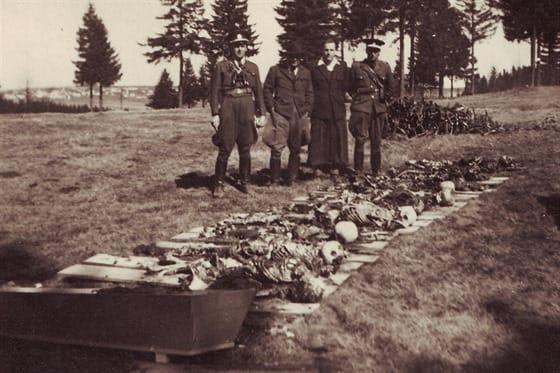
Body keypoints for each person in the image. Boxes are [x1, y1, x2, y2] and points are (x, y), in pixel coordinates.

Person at [210, 33, 266, 197]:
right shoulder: (221, 66)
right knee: (225, 146)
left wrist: (261, 113)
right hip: (229, 105)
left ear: (247, 47)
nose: (239, 48)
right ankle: (219, 183)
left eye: (242, 45)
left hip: (247, 105)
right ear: (231, 48)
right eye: (236, 45)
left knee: (245, 146)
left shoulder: (253, 67)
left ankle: (245, 181)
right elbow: (214, 92)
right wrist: (215, 113)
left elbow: (259, 93)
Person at [262, 42, 314, 186]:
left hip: (299, 115)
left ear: (301, 58)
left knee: (296, 148)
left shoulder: (306, 72)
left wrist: (307, 109)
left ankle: (291, 178)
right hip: (281, 113)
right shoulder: (276, 70)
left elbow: (310, 93)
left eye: (297, 57)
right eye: (291, 56)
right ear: (287, 57)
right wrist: (272, 108)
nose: (294, 59)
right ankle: (274, 179)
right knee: (277, 147)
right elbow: (267, 89)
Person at [348, 38, 396, 176]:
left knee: (376, 141)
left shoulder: (385, 67)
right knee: (360, 139)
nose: (372, 54)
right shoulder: (357, 67)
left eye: (375, 51)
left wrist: (384, 97)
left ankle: (376, 171)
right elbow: (350, 87)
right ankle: (358, 171)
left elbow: (391, 87)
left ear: (379, 52)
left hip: (378, 109)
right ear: (366, 51)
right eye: (370, 50)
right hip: (362, 108)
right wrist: (358, 99)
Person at [308, 39, 349, 176]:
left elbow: (346, 87)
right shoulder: (314, 67)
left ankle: (336, 165)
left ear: (336, 51)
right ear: (322, 51)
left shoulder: (342, 66)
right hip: (319, 108)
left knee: (336, 137)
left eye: (331, 50)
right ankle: (318, 166)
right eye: (326, 50)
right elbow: (310, 88)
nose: (328, 53)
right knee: (319, 137)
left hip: (337, 108)